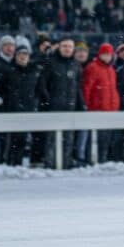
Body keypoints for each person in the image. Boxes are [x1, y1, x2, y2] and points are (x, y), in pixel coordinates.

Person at [38, 38, 85, 169]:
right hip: (54, 108)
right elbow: (42, 85)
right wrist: (48, 102)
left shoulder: (76, 65)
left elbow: (77, 87)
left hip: (70, 108)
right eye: (64, 46)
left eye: (70, 46)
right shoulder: (51, 63)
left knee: (68, 138)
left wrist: (81, 105)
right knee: (52, 139)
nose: (67, 49)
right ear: (59, 47)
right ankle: (50, 163)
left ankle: (66, 162)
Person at [3, 40, 40, 165]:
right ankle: (9, 164)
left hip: (28, 111)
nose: (23, 57)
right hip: (11, 111)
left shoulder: (33, 72)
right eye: (20, 54)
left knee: (22, 141)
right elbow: (1, 89)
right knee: (11, 142)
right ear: (16, 56)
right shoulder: (9, 71)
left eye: (25, 54)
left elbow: (38, 91)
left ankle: (19, 165)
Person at [83, 43, 120, 163]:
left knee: (106, 139)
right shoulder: (92, 67)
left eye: (109, 54)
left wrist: (115, 105)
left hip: (110, 110)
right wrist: (87, 106)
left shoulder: (111, 70)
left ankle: (102, 160)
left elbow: (113, 89)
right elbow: (87, 88)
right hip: (96, 109)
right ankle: (90, 160)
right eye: (104, 54)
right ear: (100, 55)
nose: (107, 57)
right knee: (93, 138)